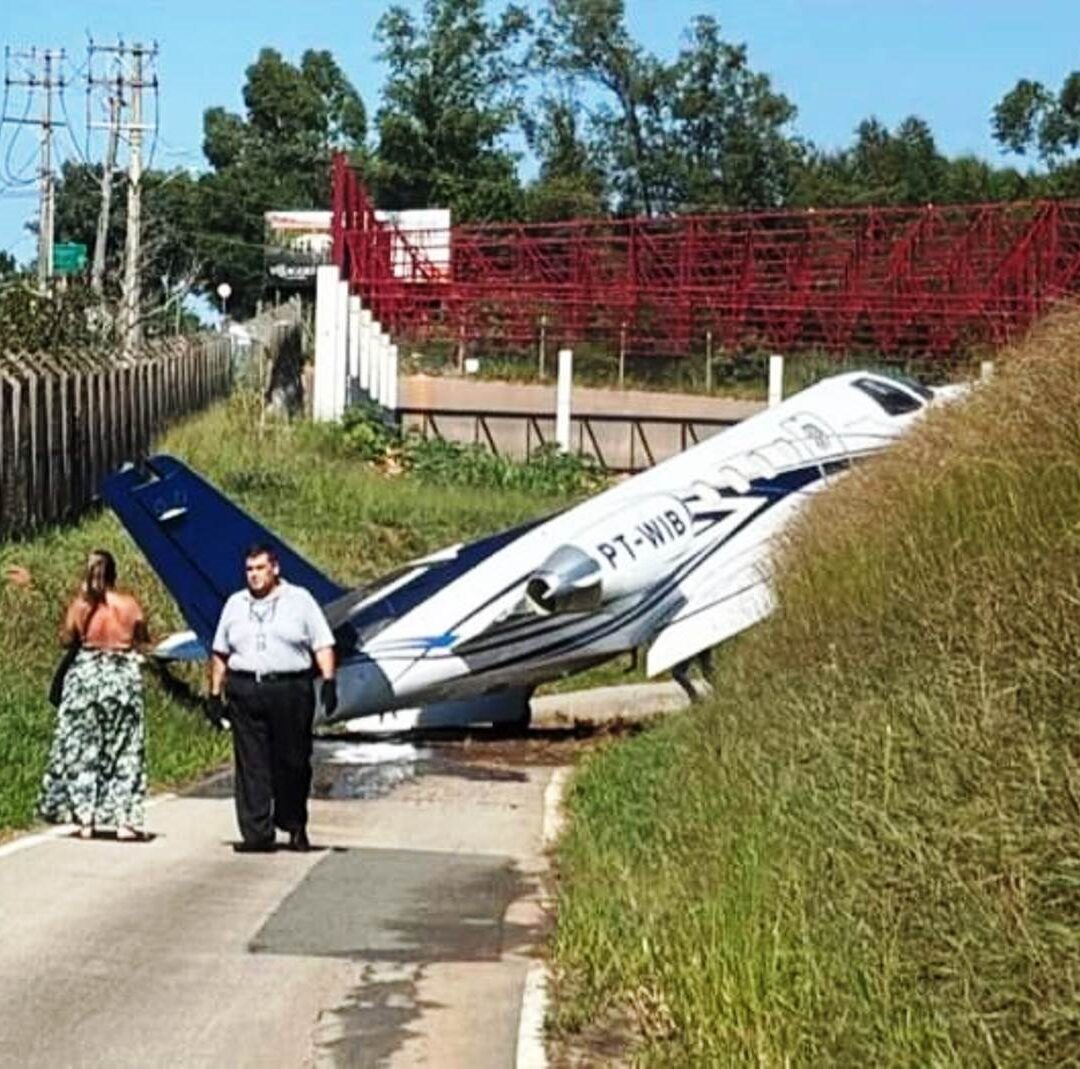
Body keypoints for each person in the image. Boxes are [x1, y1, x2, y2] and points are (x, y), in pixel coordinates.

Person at [207, 543, 337, 853]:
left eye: (260, 568)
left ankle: (293, 823)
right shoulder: (235, 604)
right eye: (249, 570)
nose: (254, 576)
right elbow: (220, 652)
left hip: (290, 689)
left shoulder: (300, 600)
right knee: (252, 764)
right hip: (246, 687)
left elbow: (322, 644)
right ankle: (256, 833)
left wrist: (329, 680)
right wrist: (214, 694)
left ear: (275, 568)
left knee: (292, 761)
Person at [39, 549, 149, 840]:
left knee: (82, 749)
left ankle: (85, 818)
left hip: (87, 676)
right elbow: (141, 638)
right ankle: (124, 820)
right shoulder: (129, 605)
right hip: (121, 675)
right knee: (125, 748)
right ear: (115, 573)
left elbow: (67, 639)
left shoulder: (80, 606)